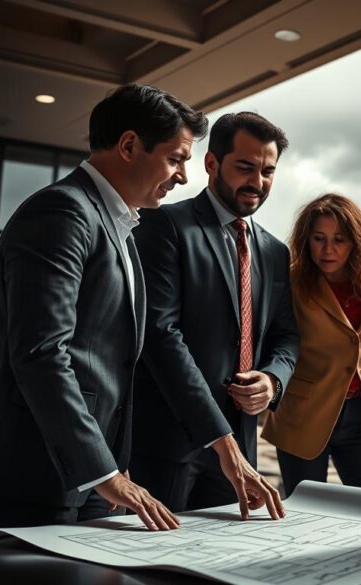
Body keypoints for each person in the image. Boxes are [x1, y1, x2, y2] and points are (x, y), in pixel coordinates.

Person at [0, 84, 206, 530]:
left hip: (93, 479)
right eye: (176, 158)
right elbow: (41, 353)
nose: (183, 175)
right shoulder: (62, 213)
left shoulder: (118, 224)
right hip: (39, 476)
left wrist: (110, 467)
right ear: (128, 145)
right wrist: (103, 471)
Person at [130, 112, 298, 518]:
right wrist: (217, 435)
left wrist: (273, 380)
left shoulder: (275, 252)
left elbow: (286, 337)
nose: (258, 182)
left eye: (268, 171)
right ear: (211, 164)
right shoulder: (164, 226)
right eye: (245, 167)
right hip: (172, 442)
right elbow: (160, 335)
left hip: (243, 442)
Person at [262, 194, 361, 497]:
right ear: (306, 239)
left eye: (339, 239)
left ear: (355, 242)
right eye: (319, 238)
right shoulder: (291, 280)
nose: (328, 249)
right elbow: (276, 338)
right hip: (304, 415)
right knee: (305, 518)